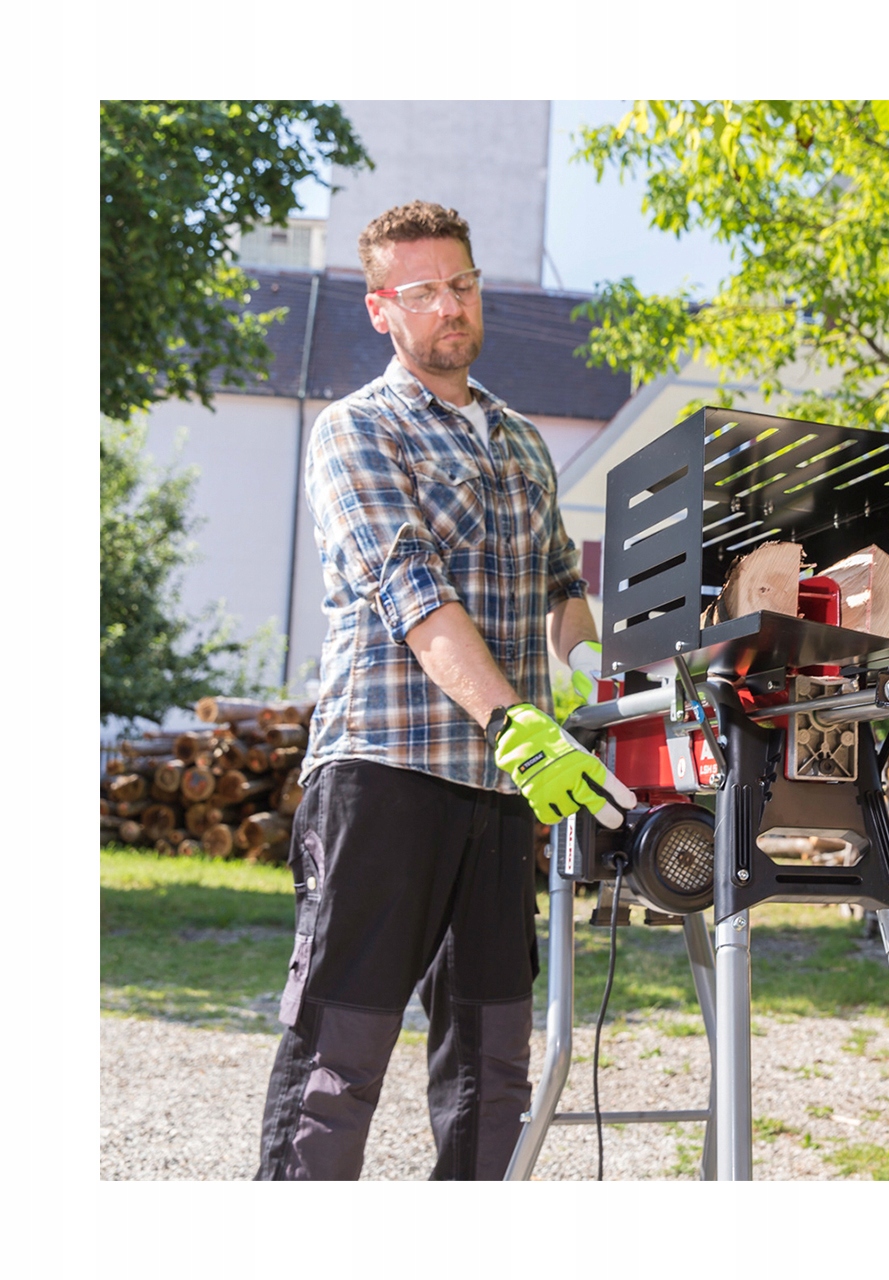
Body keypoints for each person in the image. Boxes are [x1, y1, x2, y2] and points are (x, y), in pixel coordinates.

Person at [255, 200, 635, 1181]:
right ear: (382, 308)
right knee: (338, 1060)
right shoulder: (356, 430)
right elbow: (411, 589)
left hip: (505, 789)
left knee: (491, 1068)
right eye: (422, 291)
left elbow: (563, 587)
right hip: (385, 772)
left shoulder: (520, 439)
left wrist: (591, 686)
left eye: (460, 284)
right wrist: (514, 717)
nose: (449, 306)